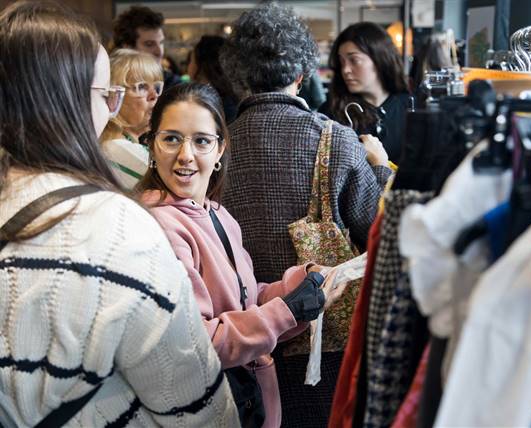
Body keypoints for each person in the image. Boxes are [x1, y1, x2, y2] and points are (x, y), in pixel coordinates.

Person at [0, 1, 238, 426]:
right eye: (106, 94)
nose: (111, 107)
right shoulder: (116, 227)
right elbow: (194, 404)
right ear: (68, 101)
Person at [135, 83, 346, 428]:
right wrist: (287, 311)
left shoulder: (219, 214)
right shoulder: (158, 223)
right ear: (152, 146)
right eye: (171, 138)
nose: (185, 155)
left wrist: (298, 284)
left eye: (201, 141)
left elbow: (244, 302)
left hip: (247, 403)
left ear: (220, 149)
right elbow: (193, 342)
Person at [220, 4, 392, 426]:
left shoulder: (216, 144)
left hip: (240, 337)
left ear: (237, 77)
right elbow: (377, 231)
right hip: (322, 336)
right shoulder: (336, 138)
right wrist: (382, 168)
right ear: (301, 74)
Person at [319, 22, 412, 165]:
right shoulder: (330, 113)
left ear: (380, 58)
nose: (345, 70)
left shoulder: (412, 106)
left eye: (354, 60)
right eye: (341, 62)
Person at [100, 48, 163, 188]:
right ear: (113, 97)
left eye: (157, 87)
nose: (154, 95)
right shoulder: (114, 148)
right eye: (142, 87)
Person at [112, 5, 181, 89]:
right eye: (149, 44)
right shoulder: (107, 83)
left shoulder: (173, 85)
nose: (160, 52)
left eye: (161, 42)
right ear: (127, 47)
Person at [188, 35, 238, 123]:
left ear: (200, 64)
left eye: (191, 60)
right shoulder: (232, 99)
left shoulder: (204, 101)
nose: (188, 66)